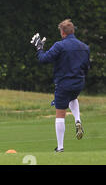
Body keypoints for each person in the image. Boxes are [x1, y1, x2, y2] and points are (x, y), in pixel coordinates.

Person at [31, 19, 90, 152]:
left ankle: (60, 147)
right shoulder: (84, 47)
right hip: (79, 82)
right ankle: (77, 119)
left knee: (60, 114)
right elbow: (86, 67)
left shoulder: (60, 45)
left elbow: (43, 59)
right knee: (73, 98)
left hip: (63, 83)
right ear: (73, 31)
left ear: (62, 33)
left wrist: (39, 48)